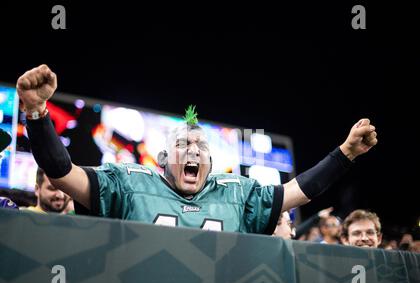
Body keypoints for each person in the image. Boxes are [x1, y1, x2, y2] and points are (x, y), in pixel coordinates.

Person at [16, 64, 378, 234]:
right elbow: (61, 173)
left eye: (200, 145)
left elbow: (301, 190)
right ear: (161, 160)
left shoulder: (238, 193)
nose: (193, 150)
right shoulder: (128, 182)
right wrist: (36, 112)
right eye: (183, 143)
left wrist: (345, 153)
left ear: (211, 160)